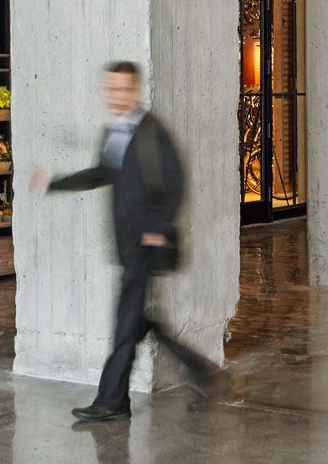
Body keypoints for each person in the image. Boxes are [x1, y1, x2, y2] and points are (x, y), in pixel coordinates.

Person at [30, 62, 220, 422]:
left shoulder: (152, 131)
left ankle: (111, 400)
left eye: (121, 89)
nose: (115, 96)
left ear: (134, 90)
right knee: (139, 323)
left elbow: (176, 182)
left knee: (125, 324)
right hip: (126, 243)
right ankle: (202, 373)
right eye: (110, 89)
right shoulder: (115, 131)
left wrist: (158, 225)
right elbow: (101, 173)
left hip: (145, 245)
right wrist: (54, 182)